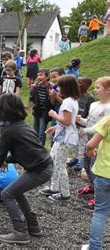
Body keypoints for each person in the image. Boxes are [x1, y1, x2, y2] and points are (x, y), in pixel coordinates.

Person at [0, 94, 53, 244]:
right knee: (16, 191)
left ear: (4, 111)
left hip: (39, 170)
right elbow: (24, 151)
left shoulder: (8, 131)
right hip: (44, 165)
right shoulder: (23, 125)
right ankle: (33, 226)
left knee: (6, 194)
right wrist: (7, 161)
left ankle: (20, 232)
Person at [41, 75, 80, 202]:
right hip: (61, 137)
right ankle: (54, 187)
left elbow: (67, 121)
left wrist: (54, 115)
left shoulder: (67, 102)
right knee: (53, 160)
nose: (57, 88)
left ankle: (65, 194)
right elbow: (67, 123)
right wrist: (55, 128)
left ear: (66, 88)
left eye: (59, 86)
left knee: (59, 165)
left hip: (65, 139)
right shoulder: (71, 100)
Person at [77, 76, 110, 211]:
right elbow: (91, 122)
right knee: (86, 164)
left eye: (98, 87)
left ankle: (98, 196)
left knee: (94, 168)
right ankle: (92, 185)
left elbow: (101, 128)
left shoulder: (108, 108)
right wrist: (81, 120)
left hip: (99, 142)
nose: (95, 90)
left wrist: (85, 130)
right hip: (89, 140)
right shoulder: (94, 105)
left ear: (108, 90)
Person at [83, 116, 110, 250]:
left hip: (104, 173)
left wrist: (89, 152)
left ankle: (94, 247)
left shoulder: (108, 120)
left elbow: (90, 144)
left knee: (100, 212)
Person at [68, 77, 95, 173]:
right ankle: (75, 157)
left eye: (79, 82)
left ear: (87, 85)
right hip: (73, 124)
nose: (77, 84)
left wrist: (85, 124)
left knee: (82, 144)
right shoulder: (76, 96)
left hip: (83, 126)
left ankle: (81, 161)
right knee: (73, 143)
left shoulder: (90, 98)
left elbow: (90, 113)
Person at [29, 69, 53, 146]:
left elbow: (52, 102)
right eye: (38, 75)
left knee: (42, 131)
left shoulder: (51, 87)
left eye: (41, 75)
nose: (39, 77)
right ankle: (34, 145)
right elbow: (31, 99)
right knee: (35, 130)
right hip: (36, 112)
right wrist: (33, 106)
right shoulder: (35, 87)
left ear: (47, 76)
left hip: (45, 113)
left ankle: (40, 147)